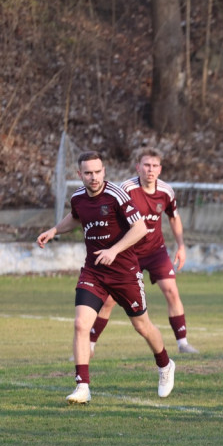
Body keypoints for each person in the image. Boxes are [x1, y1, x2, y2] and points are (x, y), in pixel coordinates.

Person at [36, 151, 176, 404]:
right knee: (81, 324)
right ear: (79, 174)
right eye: (88, 173)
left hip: (125, 272)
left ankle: (165, 365)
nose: (93, 177)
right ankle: (82, 386)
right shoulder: (78, 197)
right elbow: (76, 218)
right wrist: (54, 230)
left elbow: (141, 228)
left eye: (97, 172)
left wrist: (114, 250)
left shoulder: (116, 195)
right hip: (94, 271)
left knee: (141, 325)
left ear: (104, 171)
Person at [89, 148, 199, 357]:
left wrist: (181, 246)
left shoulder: (166, 191)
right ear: (138, 167)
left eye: (154, 166)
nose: (150, 170)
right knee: (110, 299)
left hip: (156, 251)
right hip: (129, 252)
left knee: (172, 292)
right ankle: (90, 345)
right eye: (146, 165)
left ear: (160, 169)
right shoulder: (126, 189)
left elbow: (174, 217)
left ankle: (183, 343)